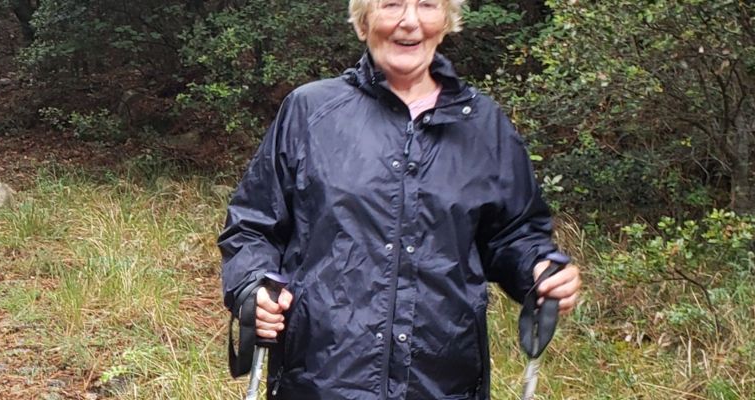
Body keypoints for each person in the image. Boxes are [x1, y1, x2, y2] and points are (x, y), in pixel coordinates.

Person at [217, 0, 584, 398]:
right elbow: (252, 225)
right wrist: (253, 285)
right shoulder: (310, 112)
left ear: (445, 21)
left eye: (427, 4)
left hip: (444, 382)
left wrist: (538, 268)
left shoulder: (482, 125)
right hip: (321, 379)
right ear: (363, 22)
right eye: (391, 4)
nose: (409, 22)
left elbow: (513, 234)